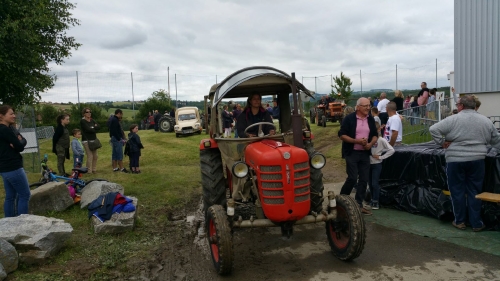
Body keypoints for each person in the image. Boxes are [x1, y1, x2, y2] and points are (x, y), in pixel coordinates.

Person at [429, 95, 500, 232]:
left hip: (455, 160)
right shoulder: (485, 121)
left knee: (457, 191)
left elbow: (433, 129)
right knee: (475, 191)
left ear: (461, 106)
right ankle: (476, 223)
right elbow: (496, 140)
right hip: (477, 160)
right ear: (474, 106)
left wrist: (441, 142)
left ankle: (460, 221)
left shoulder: (453, 119)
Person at [338, 97, 378, 215]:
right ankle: (341, 201)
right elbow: (342, 135)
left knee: (364, 179)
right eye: (365, 106)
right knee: (352, 178)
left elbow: (375, 135)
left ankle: (359, 204)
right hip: (352, 152)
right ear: (358, 107)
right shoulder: (349, 119)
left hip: (365, 153)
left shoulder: (370, 118)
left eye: (369, 105)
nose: (368, 108)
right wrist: (357, 141)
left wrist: (370, 144)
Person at [0, 105, 30, 217]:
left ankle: (9, 222)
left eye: (14, 113)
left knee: (10, 196)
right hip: (13, 167)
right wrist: (18, 143)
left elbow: (19, 143)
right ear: (1, 116)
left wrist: (17, 143)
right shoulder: (5, 130)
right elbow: (20, 146)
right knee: (24, 195)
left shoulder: (5, 129)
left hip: (3, 167)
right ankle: (21, 223)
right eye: (11, 114)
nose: (14, 116)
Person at [369, 122, 395, 210]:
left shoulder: (381, 140)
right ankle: (372, 199)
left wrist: (381, 157)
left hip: (377, 164)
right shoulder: (369, 139)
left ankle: (376, 202)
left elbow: (391, 150)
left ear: (379, 130)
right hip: (368, 164)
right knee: (370, 183)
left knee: (374, 183)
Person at [80, 107, 100, 174]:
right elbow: (88, 129)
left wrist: (92, 127)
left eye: (90, 112)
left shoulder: (92, 120)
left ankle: (94, 169)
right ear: (84, 114)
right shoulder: (82, 121)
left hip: (93, 140)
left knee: (95, 156)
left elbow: (98, 127)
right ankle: (88, 170)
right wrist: (93, 127)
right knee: (90, 156)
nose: (89, 113)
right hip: (86, 140)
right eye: (87, 112)